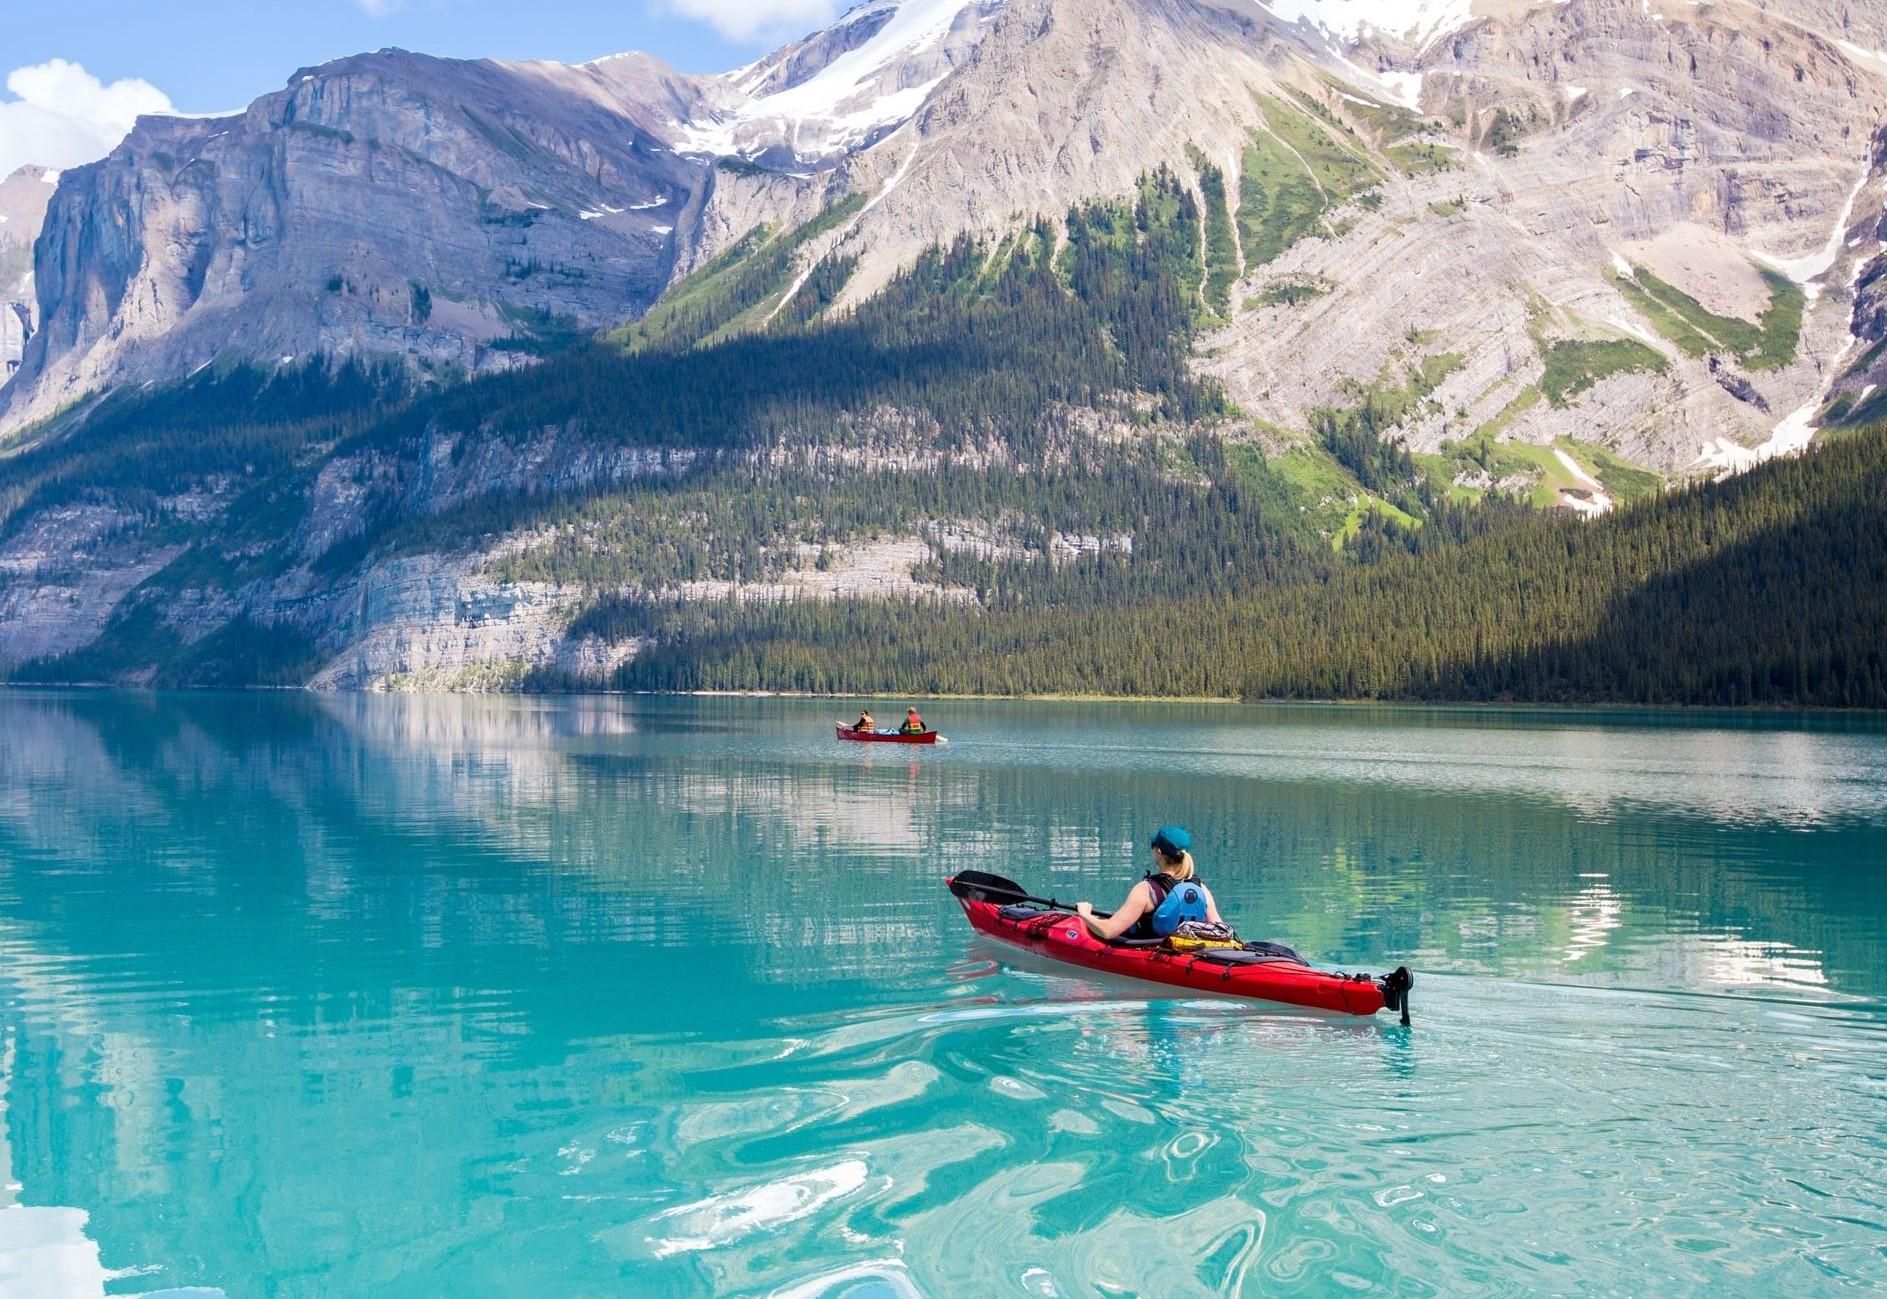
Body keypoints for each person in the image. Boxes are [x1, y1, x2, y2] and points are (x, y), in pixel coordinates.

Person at [1075, 826, 1224, 942]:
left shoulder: (1147, 890)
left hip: (1153, 955)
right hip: (1188, 952)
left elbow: (1108, 931)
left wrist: (1085, 914)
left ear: (1159, 852)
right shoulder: (1200, 889)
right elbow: (1220, 930)